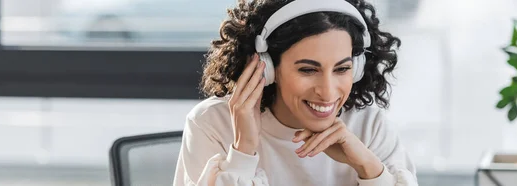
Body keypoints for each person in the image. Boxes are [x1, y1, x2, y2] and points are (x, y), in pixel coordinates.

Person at [173, 0, 418, 185]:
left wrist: (367, 166)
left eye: (342, 68)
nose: (328, 91)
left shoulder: (368, 126)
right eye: (308, 70)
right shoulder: (213, 124)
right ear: (267, 68)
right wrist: (243, 151)